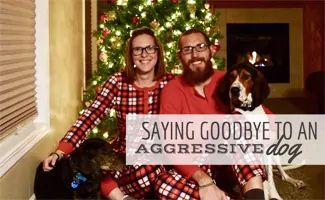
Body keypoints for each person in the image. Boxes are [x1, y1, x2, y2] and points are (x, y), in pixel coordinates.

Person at [42, 27, 174, 200]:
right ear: (131, 55)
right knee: (92, 166)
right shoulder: (118, 81)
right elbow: (90, 116)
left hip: (163, 155)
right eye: (138, 49)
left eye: (150, 48)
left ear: (158, 52)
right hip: (126, 156)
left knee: (154, 166)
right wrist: (61, 151)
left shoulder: (172, 83)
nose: (144, 54)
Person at [155, 29, 266, 200]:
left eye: (200, 47)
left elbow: (260, 114)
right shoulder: (171, 90)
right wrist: (203, 180)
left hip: (232, 161)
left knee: (235, 121)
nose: (195, 54)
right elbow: (170, 144)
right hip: (198, 162)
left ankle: (255, 196)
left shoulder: (229, 80)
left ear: (211, 50)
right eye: (187, 49)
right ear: (179, 56)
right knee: (164, 185)